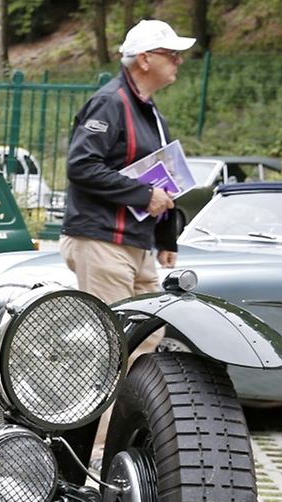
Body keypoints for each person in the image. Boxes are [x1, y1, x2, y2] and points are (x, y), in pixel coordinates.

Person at [60, 19, 194, 311]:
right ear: (144, 59)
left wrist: (166, 239)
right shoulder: (110, 102)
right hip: (103, 240)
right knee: (116, 332)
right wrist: (145, 195)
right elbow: (81, 166)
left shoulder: (150, 111)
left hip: (136, 243)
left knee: (150, 330)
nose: (179, 60)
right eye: (171, 54)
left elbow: (163, 177)